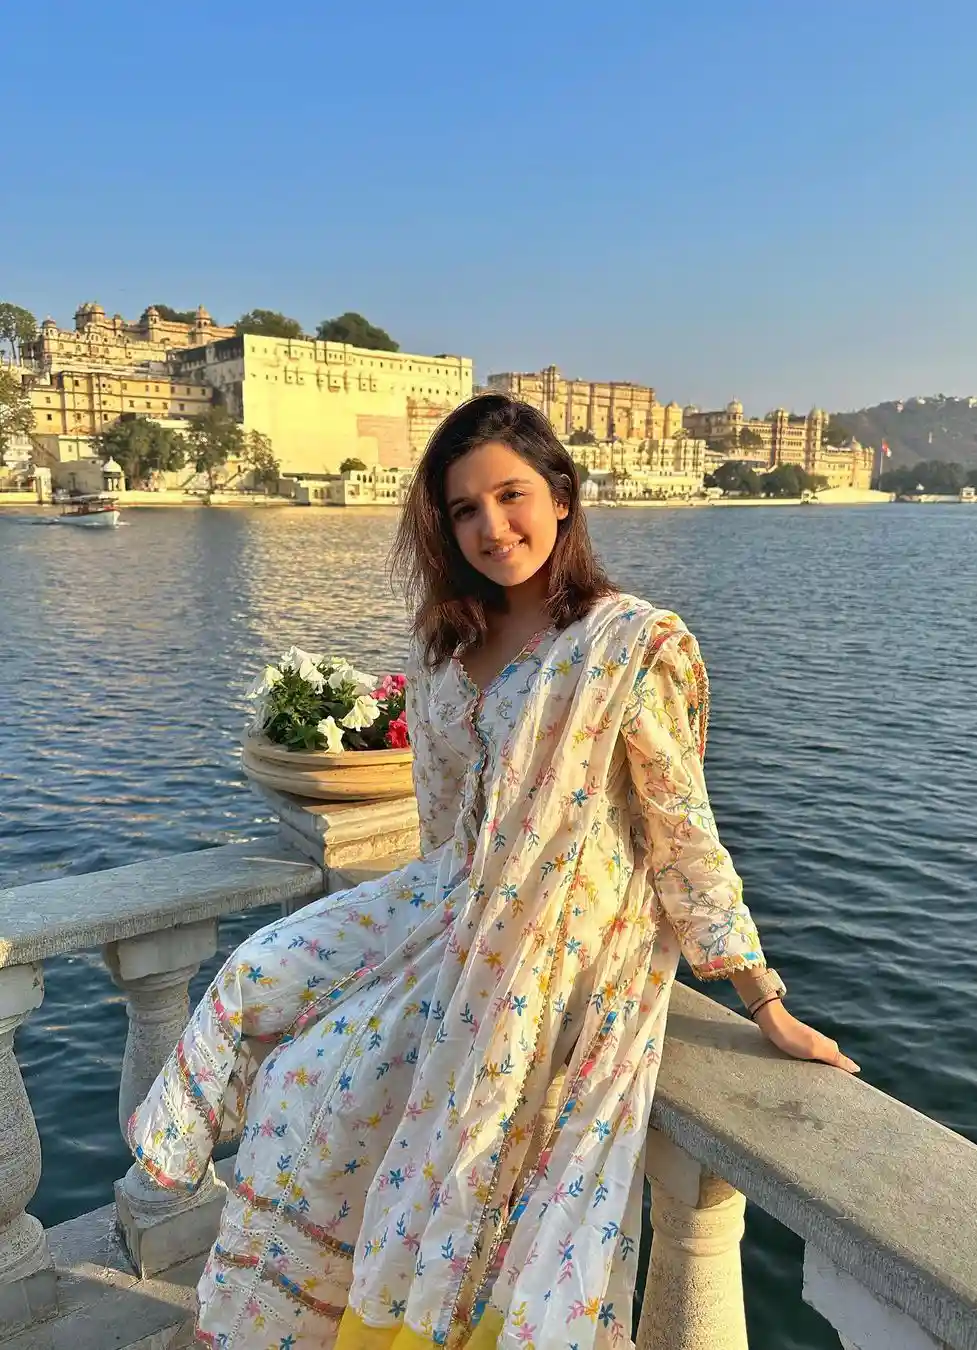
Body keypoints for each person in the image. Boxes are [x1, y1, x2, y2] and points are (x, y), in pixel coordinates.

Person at [128, 394, 857, 1350]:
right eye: (463, 509)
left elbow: (684, 834)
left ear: (561, 494)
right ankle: (206, 1203)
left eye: (510, 495)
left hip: (569, 935)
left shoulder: (625, 646)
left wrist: (764, 999)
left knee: (354, 1099)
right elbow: (443, 823)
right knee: (264, 985)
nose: (490, 526)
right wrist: (419, 939)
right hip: (458, 898)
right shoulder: (448, 651)